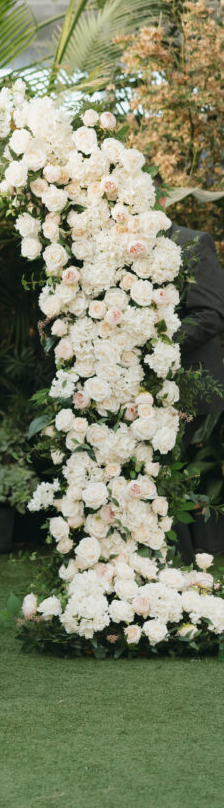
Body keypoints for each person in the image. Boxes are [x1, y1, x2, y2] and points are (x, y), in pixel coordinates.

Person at [169, 222, 224, 562]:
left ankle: (190, 564)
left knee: (179, 480)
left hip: (190, 385)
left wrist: (155, 345)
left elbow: (210, 315)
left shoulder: (192, 242)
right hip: (135, 391)